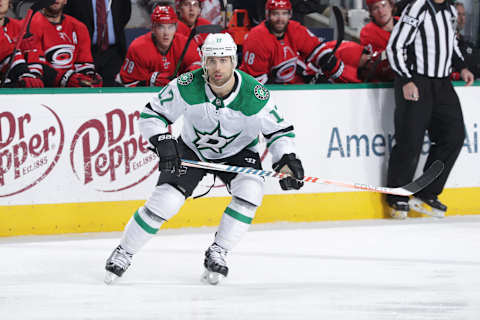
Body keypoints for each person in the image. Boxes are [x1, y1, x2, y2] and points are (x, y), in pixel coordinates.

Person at [104, 33, 304, 285]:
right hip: (192, 150)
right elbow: (152, 115)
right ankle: (124, 251)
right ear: (202, 62)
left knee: (251, 192)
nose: (217, 67)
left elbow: (279, 132)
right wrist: (162, 141)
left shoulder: (255, 94)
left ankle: (218, 251)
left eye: (223, 60)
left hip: (240, 152)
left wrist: (286, 159)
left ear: (234, 61)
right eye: (211, 60)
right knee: (165, 201)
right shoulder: (186, 85)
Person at [385, 0, 474, 219]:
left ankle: (426, 191)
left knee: (453, 136)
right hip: (416, 80)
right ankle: (398, 195)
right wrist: (406, 80)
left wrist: (462, 66)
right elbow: (395, 46)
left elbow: (450, 42)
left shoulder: (450, 9)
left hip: (442, 83)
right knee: (410, 139)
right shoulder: (418, 7)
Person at [239, 0, 342, 84]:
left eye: (284, 13)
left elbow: (317, 49)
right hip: (258, 91)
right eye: (275, 14)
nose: (280, 19)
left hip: (289, 83)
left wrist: (328, 61)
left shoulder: (295, 29)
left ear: (290, 15)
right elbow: (255, 84)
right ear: (267, 15)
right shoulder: (257, 38)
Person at [116, 5, 201, 87]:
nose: (166, 33)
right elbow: (128, 84)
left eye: (170, 27)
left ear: (176, 28)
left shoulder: (187, 44)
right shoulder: (138, 48)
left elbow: (200, 70)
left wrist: (192, 74)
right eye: (161, 27)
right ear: (153, 28)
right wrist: (149, 82)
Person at [30, 0, 102, 87]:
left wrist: (89, 76)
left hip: (72, 88)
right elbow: (35, 64)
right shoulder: (31, 25)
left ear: (65, 1)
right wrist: (66, 78)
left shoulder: (79, 27)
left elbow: (84, 61)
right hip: (47, 89)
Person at [64, 0, 132, 86]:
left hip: (113, 53)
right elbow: (68, 17)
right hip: (84, 54)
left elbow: (125, 14)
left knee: (113, 93)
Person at [0, 0, 44, 87]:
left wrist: (34, 76)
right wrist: (23, 72)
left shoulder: (20, 27)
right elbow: (5, 50)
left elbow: (33, 54)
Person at [359, 0, 398, 82]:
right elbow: (373, 62)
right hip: (382, 84)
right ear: (371, 12)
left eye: (384, 5)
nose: (381, 11)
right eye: (375, 8)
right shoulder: (368, 32)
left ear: (391, 6)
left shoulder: (405, 24)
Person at [451, 2, 479, 79]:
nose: (462, 18)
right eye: (458, 14)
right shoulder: (444, 42)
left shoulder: (469, 45)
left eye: (463, 14)